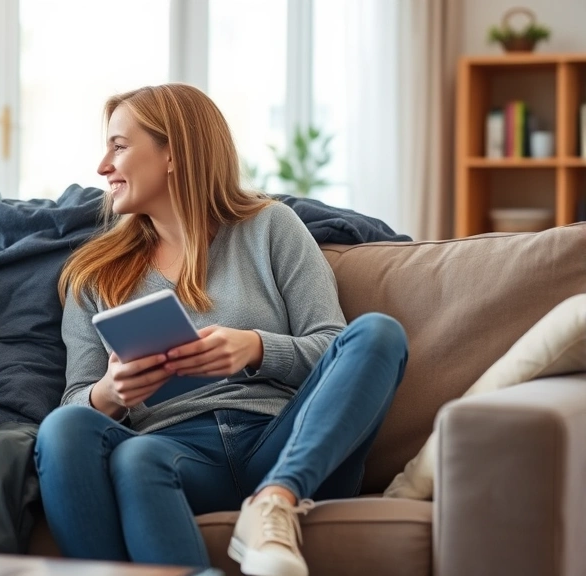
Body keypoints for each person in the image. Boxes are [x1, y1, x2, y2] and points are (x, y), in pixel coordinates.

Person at [34, 84, 409, 575]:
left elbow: (331, 347)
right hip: (175, 452)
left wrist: (255, 348)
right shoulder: (94, 275)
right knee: (94, 441)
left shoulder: (271, 227)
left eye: (119, 146)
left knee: (378, 333)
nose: (103, 166)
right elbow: (75, 403)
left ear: (173, 153)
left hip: (284, 439)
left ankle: (274, 502)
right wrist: (110, 393)